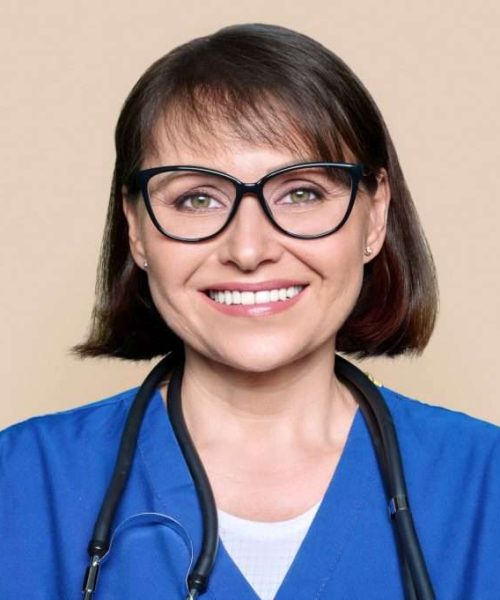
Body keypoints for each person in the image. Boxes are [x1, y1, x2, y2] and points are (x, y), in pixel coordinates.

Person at [0, 22, 499, 600]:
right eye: (196, 198)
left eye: (303, 192)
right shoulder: (20, 485)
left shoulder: (485, 483)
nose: (248, 249)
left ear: (375, 216)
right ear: (137, 230)